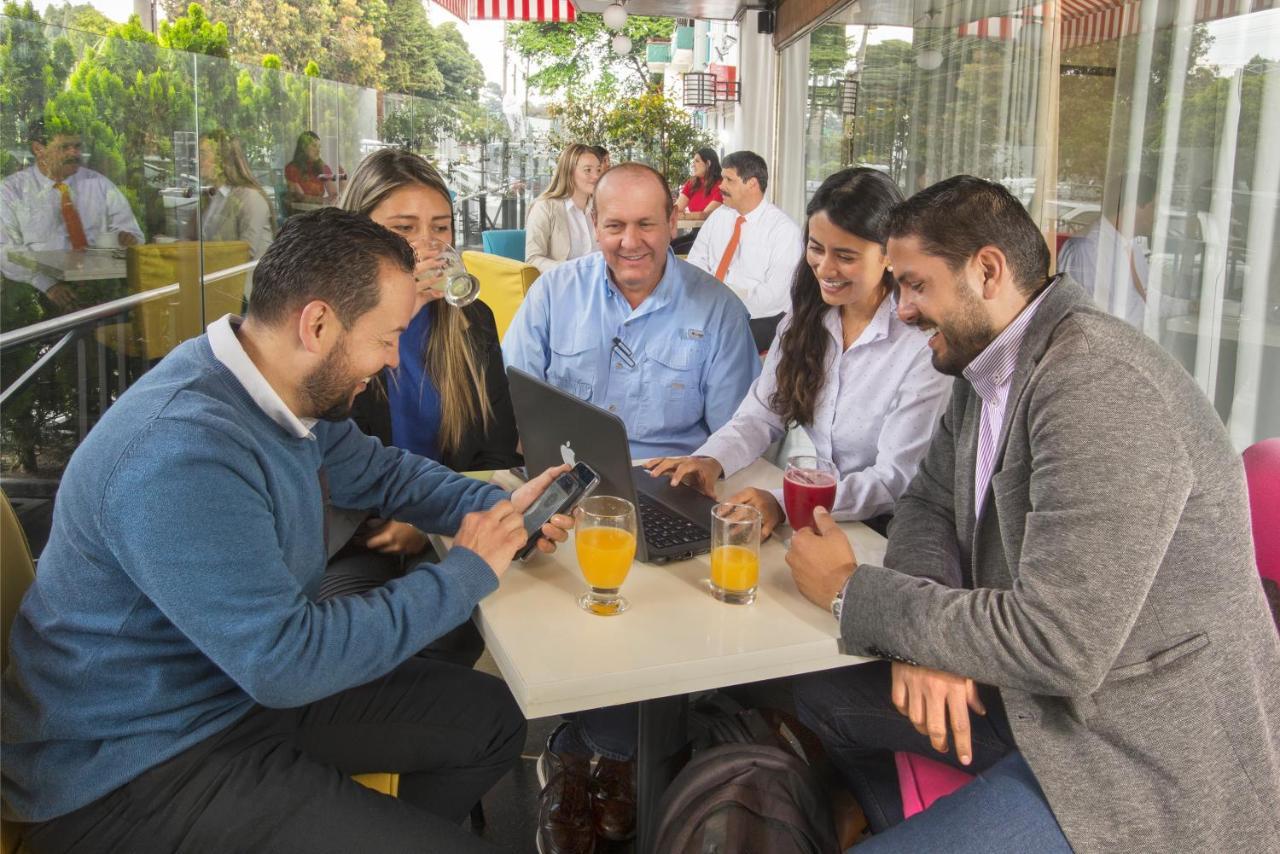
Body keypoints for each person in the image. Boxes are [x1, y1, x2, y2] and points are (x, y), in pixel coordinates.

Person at [1, 207, 575, 852]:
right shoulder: (179, 452)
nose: (391, 362)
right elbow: (288, 663)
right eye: (387, 338)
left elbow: (384, 474)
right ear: (319, 323)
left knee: (491, 719)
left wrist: (495, 509)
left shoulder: (272, 386)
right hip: (131, 766)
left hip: (231, 692)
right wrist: (467, 569)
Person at [787, 176, 1280, 853]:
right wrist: (918, 637)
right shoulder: (985, 367)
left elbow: (1058, 645)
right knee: (810, 692)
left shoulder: (1099, 386)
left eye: (916, 286)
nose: (900, 311)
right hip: (1032, 700)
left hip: (1131, 752)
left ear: (987, 271)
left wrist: (854, 594)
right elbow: (928, 504)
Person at [502, 162, 760, 854]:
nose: (630, 240)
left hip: (671, 491)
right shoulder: (556, 294)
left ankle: (589, 759)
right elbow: (516, 397)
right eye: (614, 224)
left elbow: (739, 434)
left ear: (673, 225)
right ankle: (600, 760)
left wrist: (704, 469)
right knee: (542, 602)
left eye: (647, 223)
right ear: (593, 225)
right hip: (570, 485)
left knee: (649, 611)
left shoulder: (718, 310)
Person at [648, 168, 952, 539]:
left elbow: (894, 480)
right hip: (819, 516)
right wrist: (711, 460)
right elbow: (763, 413)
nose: (825, 268)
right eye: (816, 248)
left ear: (889, 254)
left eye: (845, 255)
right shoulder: (809, 315)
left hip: (884, 529)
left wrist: (785, 502)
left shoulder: (921, 344)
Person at [325, 148, 520, 660]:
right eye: (404, 229)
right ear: (357, 236)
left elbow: (495, 454)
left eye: (440, 228)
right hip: (357, 540)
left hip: (448, 526)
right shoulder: (328, 326)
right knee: (363, 655)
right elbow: (323, 459)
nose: (427, 246)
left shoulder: (471, 322)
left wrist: (428, 522)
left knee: (467, 629)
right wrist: (398, 302)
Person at [0, 116, 143, 310]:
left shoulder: (98, 184)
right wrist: (47, 285)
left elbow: (131, 232)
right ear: (38, 149)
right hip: (40, 298)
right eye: (64, 147)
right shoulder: (11, 191)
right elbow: (5, 250)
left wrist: (126, 238)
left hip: (103, 293)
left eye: (77, 146)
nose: (74, 153)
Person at [686, 150, 803, 347]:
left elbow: (775, 297)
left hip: (760, 317)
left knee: (708, 343)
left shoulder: (783, 231)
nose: (721, 186)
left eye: (729, 180)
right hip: (711, 308)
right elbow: (696, 262)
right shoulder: (719, 217)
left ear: (752, 184)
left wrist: (723, 305)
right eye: (722, 178)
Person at [1057, 172, 1156, 330]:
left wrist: (1189, 306)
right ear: (1132, 207)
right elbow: (1085, 318)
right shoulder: (1087, 248)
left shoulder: (1132, 248)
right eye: (1153, 208)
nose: (1156, 216)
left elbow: (1144, 298)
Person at [190, 130, 274, 264]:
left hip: (246, 281)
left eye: (202, 154)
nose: (196, 160)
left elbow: (244, 254)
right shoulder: (211, 198)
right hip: (217, 278)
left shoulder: (250, 198)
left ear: (222, 160)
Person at [524, 143, 602, 274]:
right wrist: (572, 271)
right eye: (588, 170)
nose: (596, 176)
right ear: (569, 172)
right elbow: (533, 259)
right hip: (563, 284)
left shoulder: (601, 207)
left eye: (598, 170)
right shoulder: (545, 207)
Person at [671, 147, 724, 255]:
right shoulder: (692, 183)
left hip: (712, 238)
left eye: (697, 161)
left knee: (674, 252)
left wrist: (683, 215)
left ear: (708, 163)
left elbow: (704, 215)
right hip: (696, 233)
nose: (693, 164)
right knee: (669, 248)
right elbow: (676, 209)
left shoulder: (721, 185)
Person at [284, 130, 339, 207]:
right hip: (299, 213)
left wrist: (331, 201)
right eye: (314, 145)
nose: (318, 150)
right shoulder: (292, 168)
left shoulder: (323, 167)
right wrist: (324, 200)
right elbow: (301, 197)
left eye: (319, 147)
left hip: (319, 212)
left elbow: (334, 195)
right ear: (303, 147)